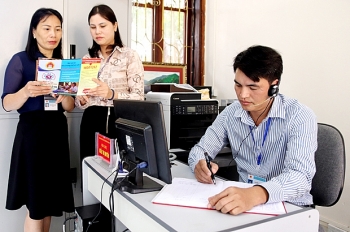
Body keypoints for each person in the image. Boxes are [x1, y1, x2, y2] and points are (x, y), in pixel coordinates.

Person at [188, 45, 317, 215]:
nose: (243, 95)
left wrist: (256, 194)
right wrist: (199, 165)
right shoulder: (231, 113)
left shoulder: (299, 116)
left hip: (290, 208)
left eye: (252, 87)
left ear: (274, 86)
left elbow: (300, 177)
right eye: (238, 85)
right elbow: (200, 150)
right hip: (245, 208)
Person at [1, 8, 75, 232]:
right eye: (46, 28)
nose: (53, 33)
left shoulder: (65, 64)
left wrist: (65, 96)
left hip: (57, 134)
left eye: (57, 29)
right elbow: (6, 103)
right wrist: (25, 92)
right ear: (34, 32)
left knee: (49, 204)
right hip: (32, 135)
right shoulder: (20, 60)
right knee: (35, 205)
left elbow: (69, 108)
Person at [75, 5, 144, 166]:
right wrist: (82, 99)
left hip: (119, 120)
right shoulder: (87, 59)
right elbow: (80, 103)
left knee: (119, 173)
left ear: (115, 25)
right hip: (90, 122)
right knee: (90, 171)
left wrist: (111, 94)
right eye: (93, 27)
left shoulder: (130, 56)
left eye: (102, 26)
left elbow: (139, 97)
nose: (97, 31)